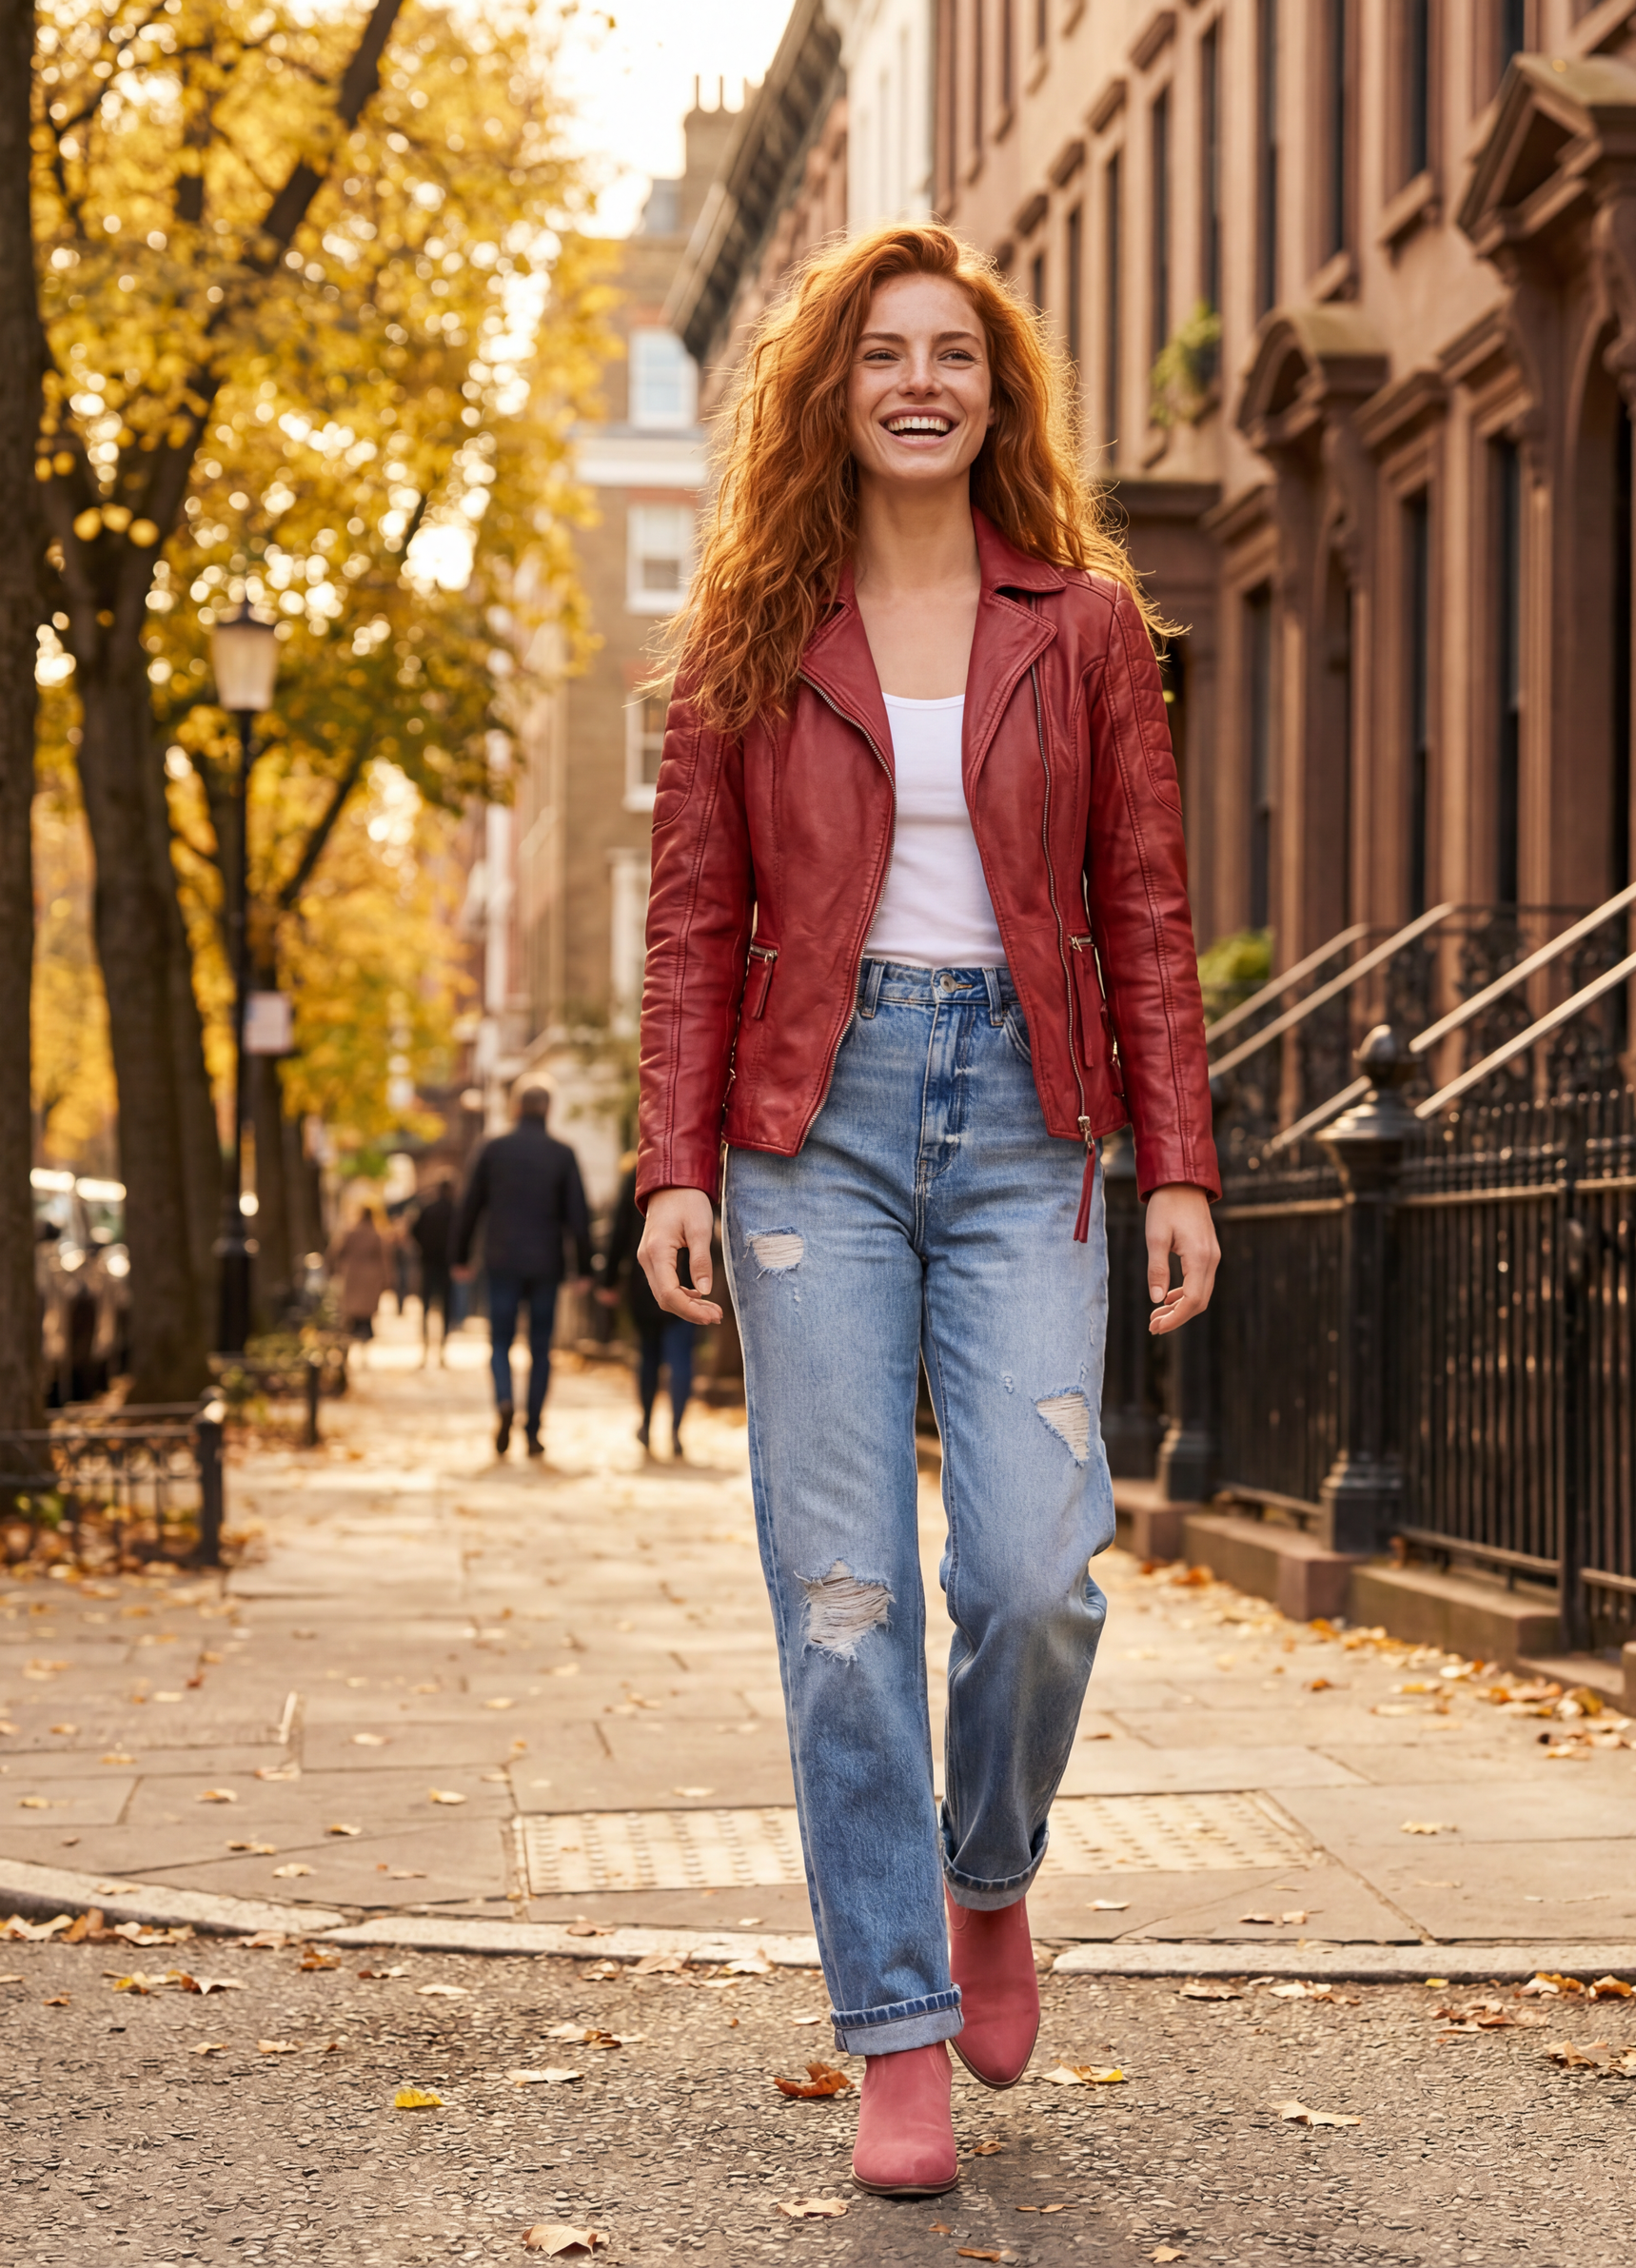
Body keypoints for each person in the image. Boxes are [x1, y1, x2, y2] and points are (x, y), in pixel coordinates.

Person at [634, 224, 1220, 2199]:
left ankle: (989, 1878)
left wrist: (1180, 1162)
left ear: (995, 392)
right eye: (880, 350)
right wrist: (671, 1167)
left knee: (1037, 1574)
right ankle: (894, 2023)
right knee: (844, 1601)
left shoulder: (1086, 630)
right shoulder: (747, 636)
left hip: (1032, 1124)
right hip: (816, 1128)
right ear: (834, 390)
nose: (916, 379)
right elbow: (694, 925)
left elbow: (1144, 907)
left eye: (951, 352)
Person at [452, 1085, 592, 1459]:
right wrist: (584, 1267)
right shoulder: (562, 1154)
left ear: (515, 1107)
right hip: (547, 1263)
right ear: (549, 1108)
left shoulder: (493, 1148)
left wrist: (461, 1257)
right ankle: (532, 1431)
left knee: (500, 1341)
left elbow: (470, 1207)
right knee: (541, 1349)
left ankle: (502, 1399)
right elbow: (579, 1216)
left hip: (502, 1261)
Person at [602, 1154, 697, 1459]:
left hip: (646, 1282)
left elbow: (618, 1230)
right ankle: (676, 1431)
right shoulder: (693, 1172)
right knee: (681, 1357)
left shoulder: (637, 1176)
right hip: (688, 1281)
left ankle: (645, 1424)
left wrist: (608, 1280)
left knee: (648, 1356)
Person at [409, 1175, 459, 1368]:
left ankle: (426, 1347)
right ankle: (442, 1349)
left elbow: (415, 1231)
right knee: (446, 1307)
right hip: (447, 1264)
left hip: (428, 1262)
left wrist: (423, 1248)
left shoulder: (427, 1209)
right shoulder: (456, 1211)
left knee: (427, 1307)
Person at [331, 1203, 393, 1355]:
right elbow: (385, 1259)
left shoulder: (349, 1232)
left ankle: (352, 1348)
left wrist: (334, 1270)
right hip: (371, 1277)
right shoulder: (377, 1234)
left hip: (352, 1275)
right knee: (366, 1315)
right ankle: (363, 1348)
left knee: (352, 1315)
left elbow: (336, 1252)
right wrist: (387, 1279)